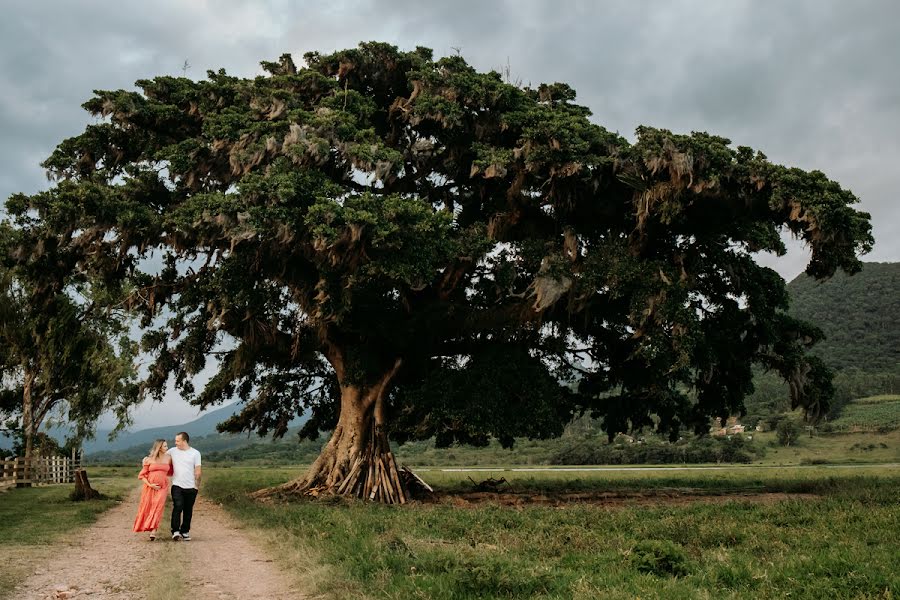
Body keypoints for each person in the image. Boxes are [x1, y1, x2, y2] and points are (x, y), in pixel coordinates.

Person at [132, 439, 174, 540]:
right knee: (149, 507)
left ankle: (153, 530)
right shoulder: (148, 459)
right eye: (165, 446)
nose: (167, 448)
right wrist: (150, 484)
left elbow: (171, 472)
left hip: (163, 487)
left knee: (158, 507)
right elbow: (142, 475)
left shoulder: (169, 458)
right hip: (150, 487)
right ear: (159, 448)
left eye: (166, 446)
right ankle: (147, 526)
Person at [167, 431, 201, 541]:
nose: (175, 442)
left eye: (177, 441)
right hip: (177, 485)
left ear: (184, 441)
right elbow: (160, 457)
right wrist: (147, 460)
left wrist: (197, 487)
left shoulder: (195, 453)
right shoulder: (172, 451)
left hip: (191, 486)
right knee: (178, 506)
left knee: (188, 510)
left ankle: (185, 531)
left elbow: (198, 471)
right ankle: (175, 530)